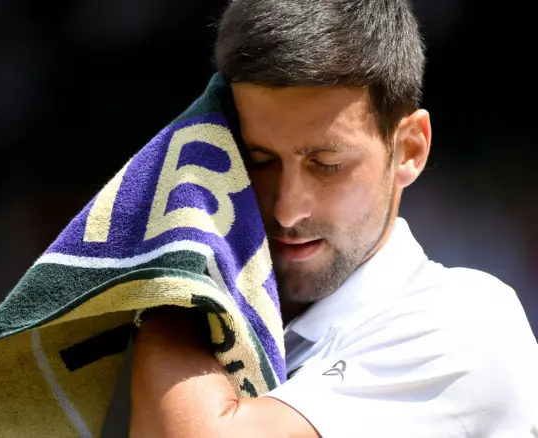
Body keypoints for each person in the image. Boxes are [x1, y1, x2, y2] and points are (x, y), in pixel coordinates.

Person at [128, 0, 538, 437]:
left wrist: (176, 267)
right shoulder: (238, 324)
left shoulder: (469, 321)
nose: (288, 208)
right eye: (259, 160)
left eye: (327, 164)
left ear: (410, 149)